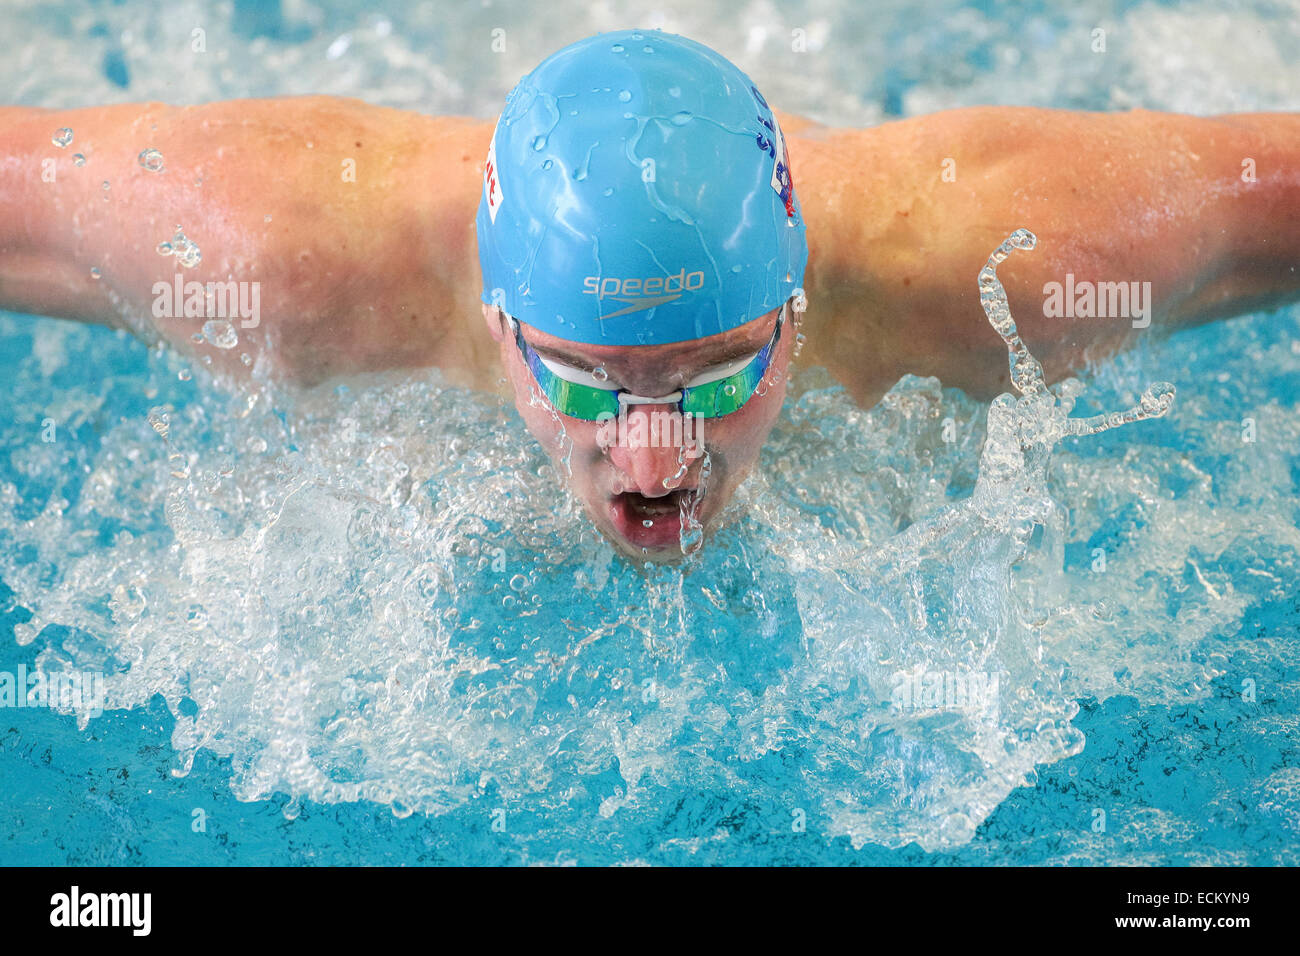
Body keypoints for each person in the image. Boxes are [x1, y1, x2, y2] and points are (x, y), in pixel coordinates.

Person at [1, 29, 1297, 559]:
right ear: (497, 323)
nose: (656, 451)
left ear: (793, 314)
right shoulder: (275, 257)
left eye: (718, 371)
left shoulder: (1001, 266)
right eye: (585, 377)